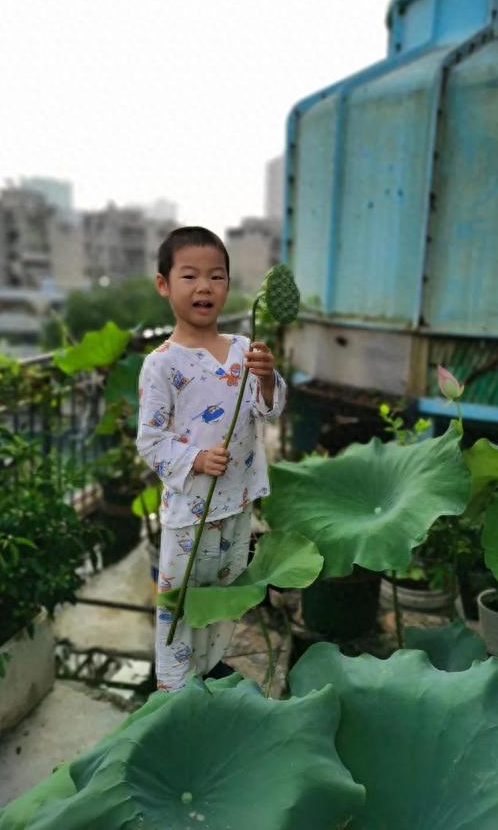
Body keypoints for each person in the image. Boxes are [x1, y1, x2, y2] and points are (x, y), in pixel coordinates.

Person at [135, 226, 287, 691]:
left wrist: (265, 380)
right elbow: (150, 440)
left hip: (238, 504)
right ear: (164, 284)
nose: (205, 287)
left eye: (216, 276)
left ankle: (211, 666)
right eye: (190, 276)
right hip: (190, 513)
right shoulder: (161, 363)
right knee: (181, 606)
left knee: (224, 599)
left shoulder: (245, 349)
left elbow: (270, 409)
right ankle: (175, 688)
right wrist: (196, 459)